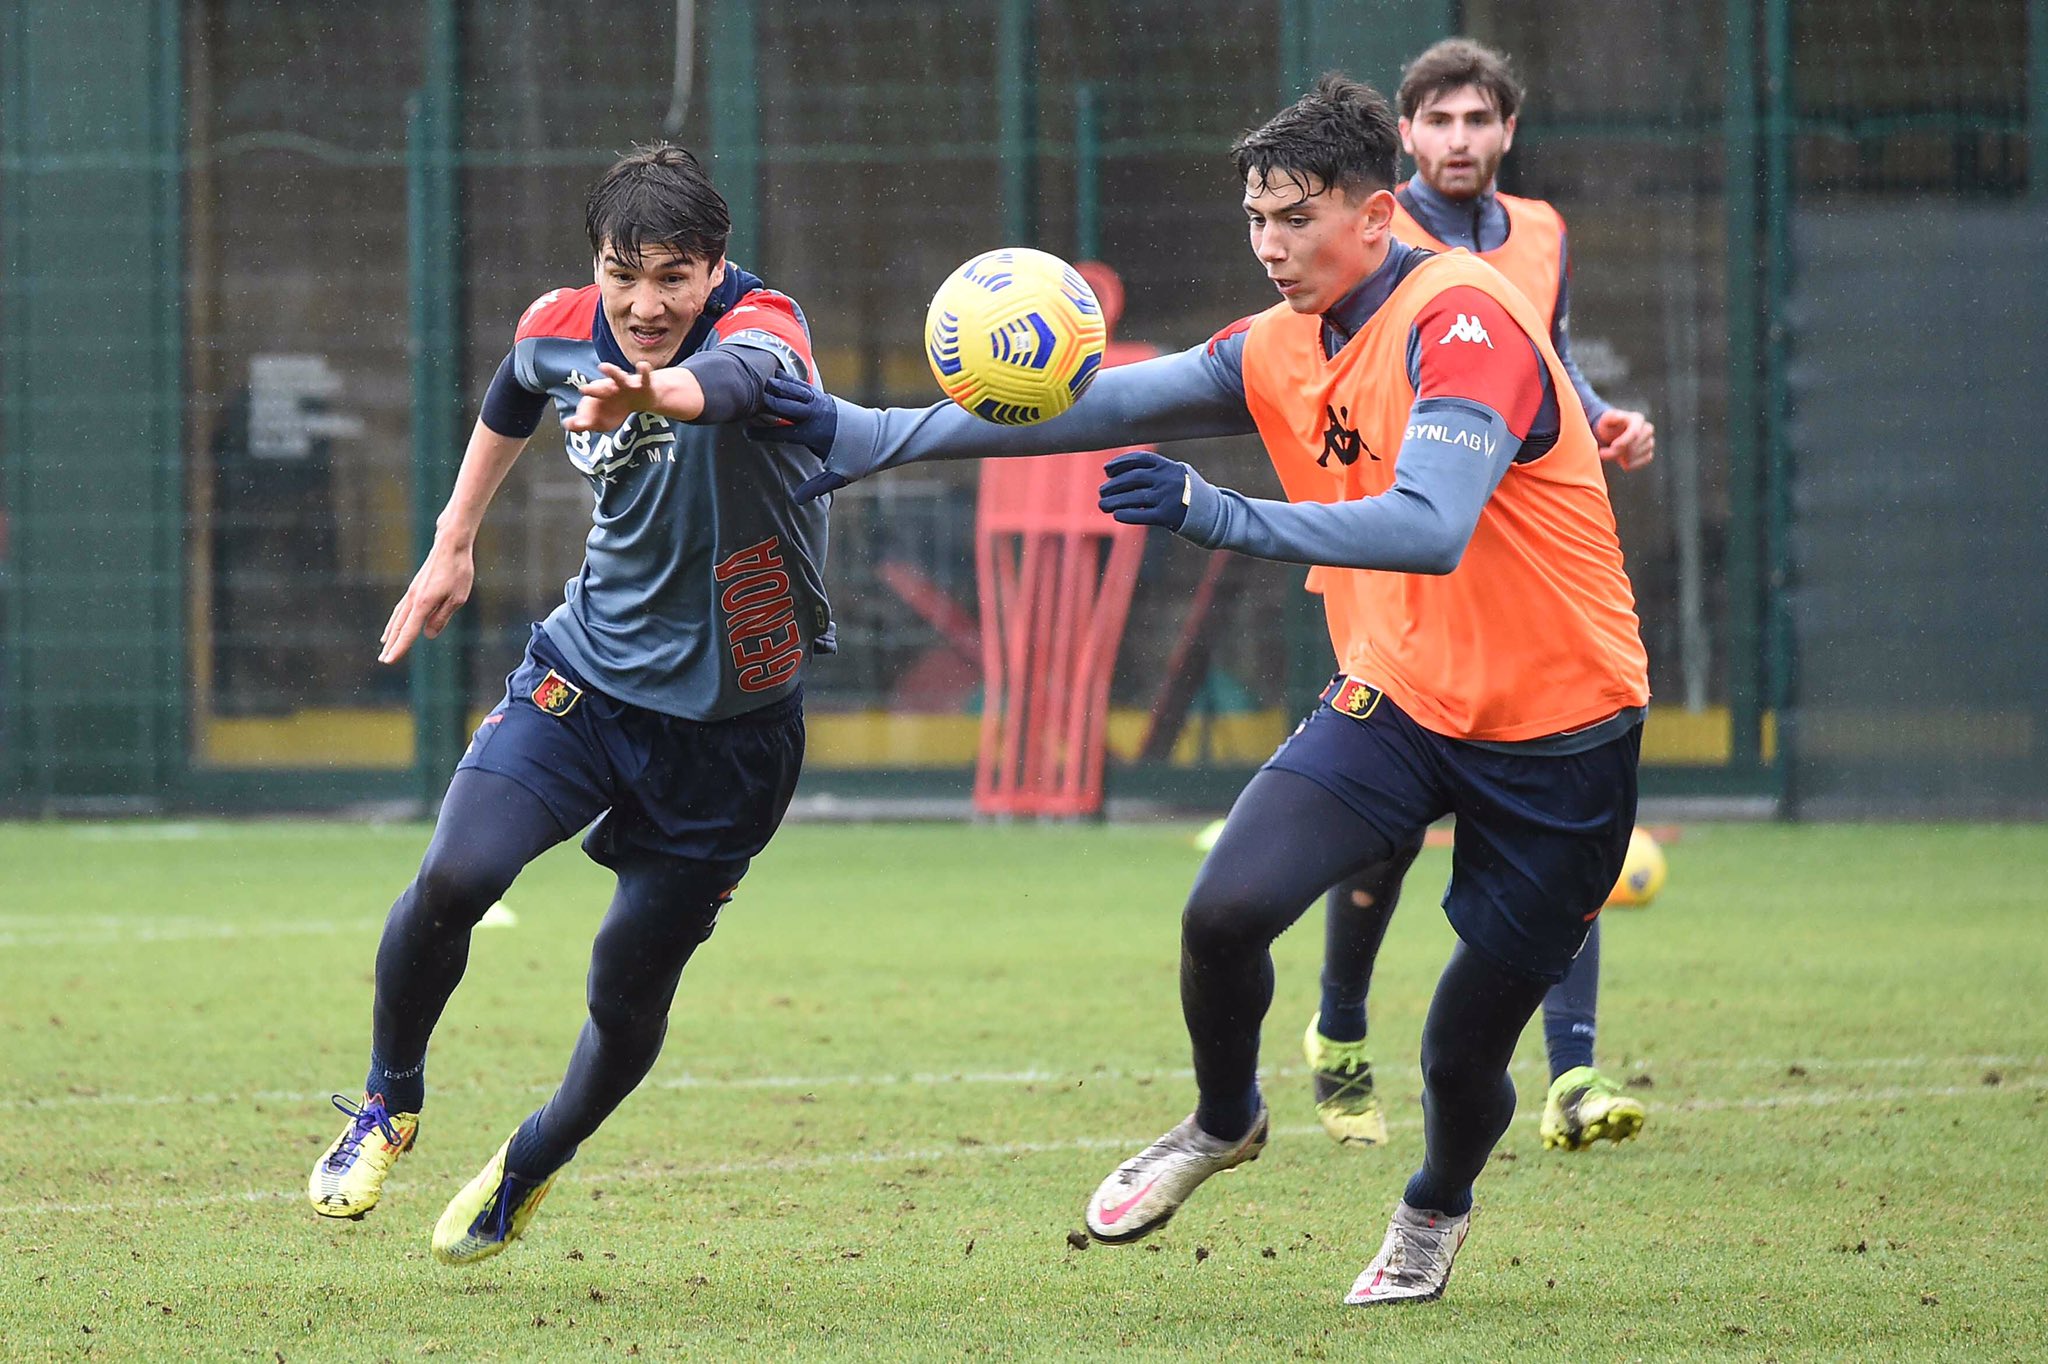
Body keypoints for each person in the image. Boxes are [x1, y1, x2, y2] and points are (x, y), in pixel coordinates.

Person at [647, 72, 1650, 1307]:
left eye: (1298, 217)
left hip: (1562, 727)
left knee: (1458, 1044)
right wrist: (860, 437)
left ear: (1376, 216)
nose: (1272, 246)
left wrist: (1212, 511)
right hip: (1396, 697)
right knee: (1222, 911)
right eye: (1255, 219)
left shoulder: (1466, 325)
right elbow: (1085, 404)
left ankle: (1432, 1209)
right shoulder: (1278, 343)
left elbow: (1430, 524)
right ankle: (1224, 1119)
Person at [306, 142, 833, 1267]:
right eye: (621, 274)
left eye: (674, 277)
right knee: (453, 875)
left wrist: (664, 389)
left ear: (717, 267)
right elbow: (511, 390)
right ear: (594, 263)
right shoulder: (558, 322)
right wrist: (453, 542)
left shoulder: (764, 327)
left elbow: (737, 382)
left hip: (730, 740)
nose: (645, 304)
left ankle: (534, 1156)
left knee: (624, 990)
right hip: (580, 681)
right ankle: (387, 1101)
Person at [1301, 37, 1656, 1159]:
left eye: (1477, 120)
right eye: (1437, 120)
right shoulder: (1369, 235)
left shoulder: (1539, 231)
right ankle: (1340, 1032)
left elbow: (1538, 352)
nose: (1458, 139)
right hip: (1400, 560)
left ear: (1507, 130)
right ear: (1404, 134)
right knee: (1382, 834)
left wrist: (1595, 413)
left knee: (1558, 804)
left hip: (1528, 559)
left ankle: (1573, 1072)